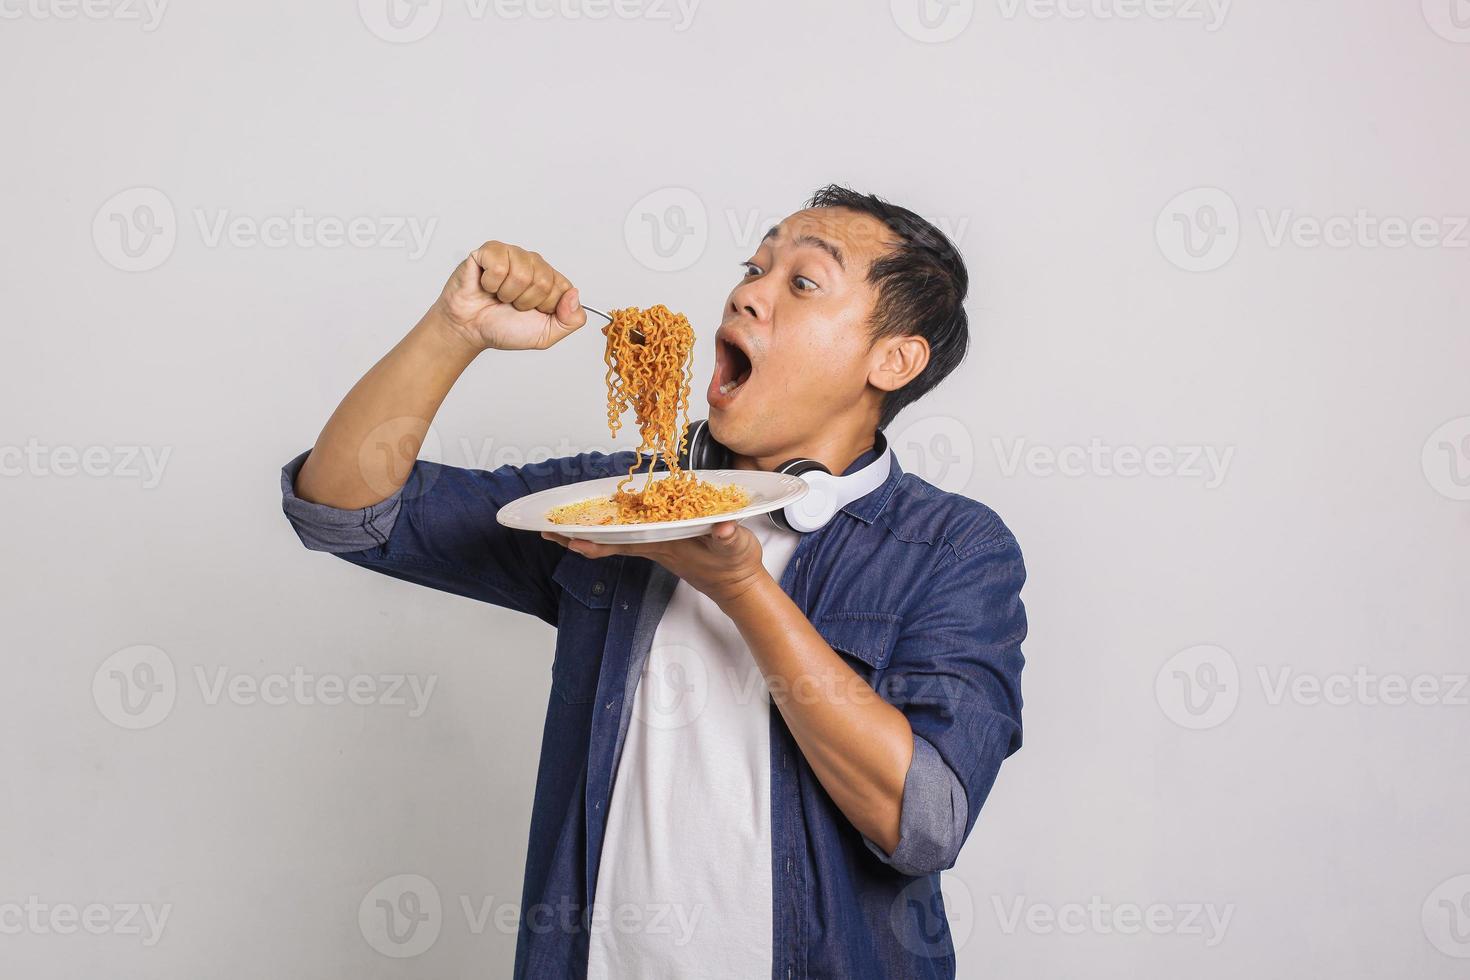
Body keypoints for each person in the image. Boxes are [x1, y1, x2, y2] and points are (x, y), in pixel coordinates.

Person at [279, 185, 1027, 979]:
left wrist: (742, 588)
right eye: (754, 267)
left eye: (802, 282)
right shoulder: (623, 503)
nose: (748, 292)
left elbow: (923, 824)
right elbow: (347, 510)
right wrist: (452, 332)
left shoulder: (952, 549)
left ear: (893, 359)